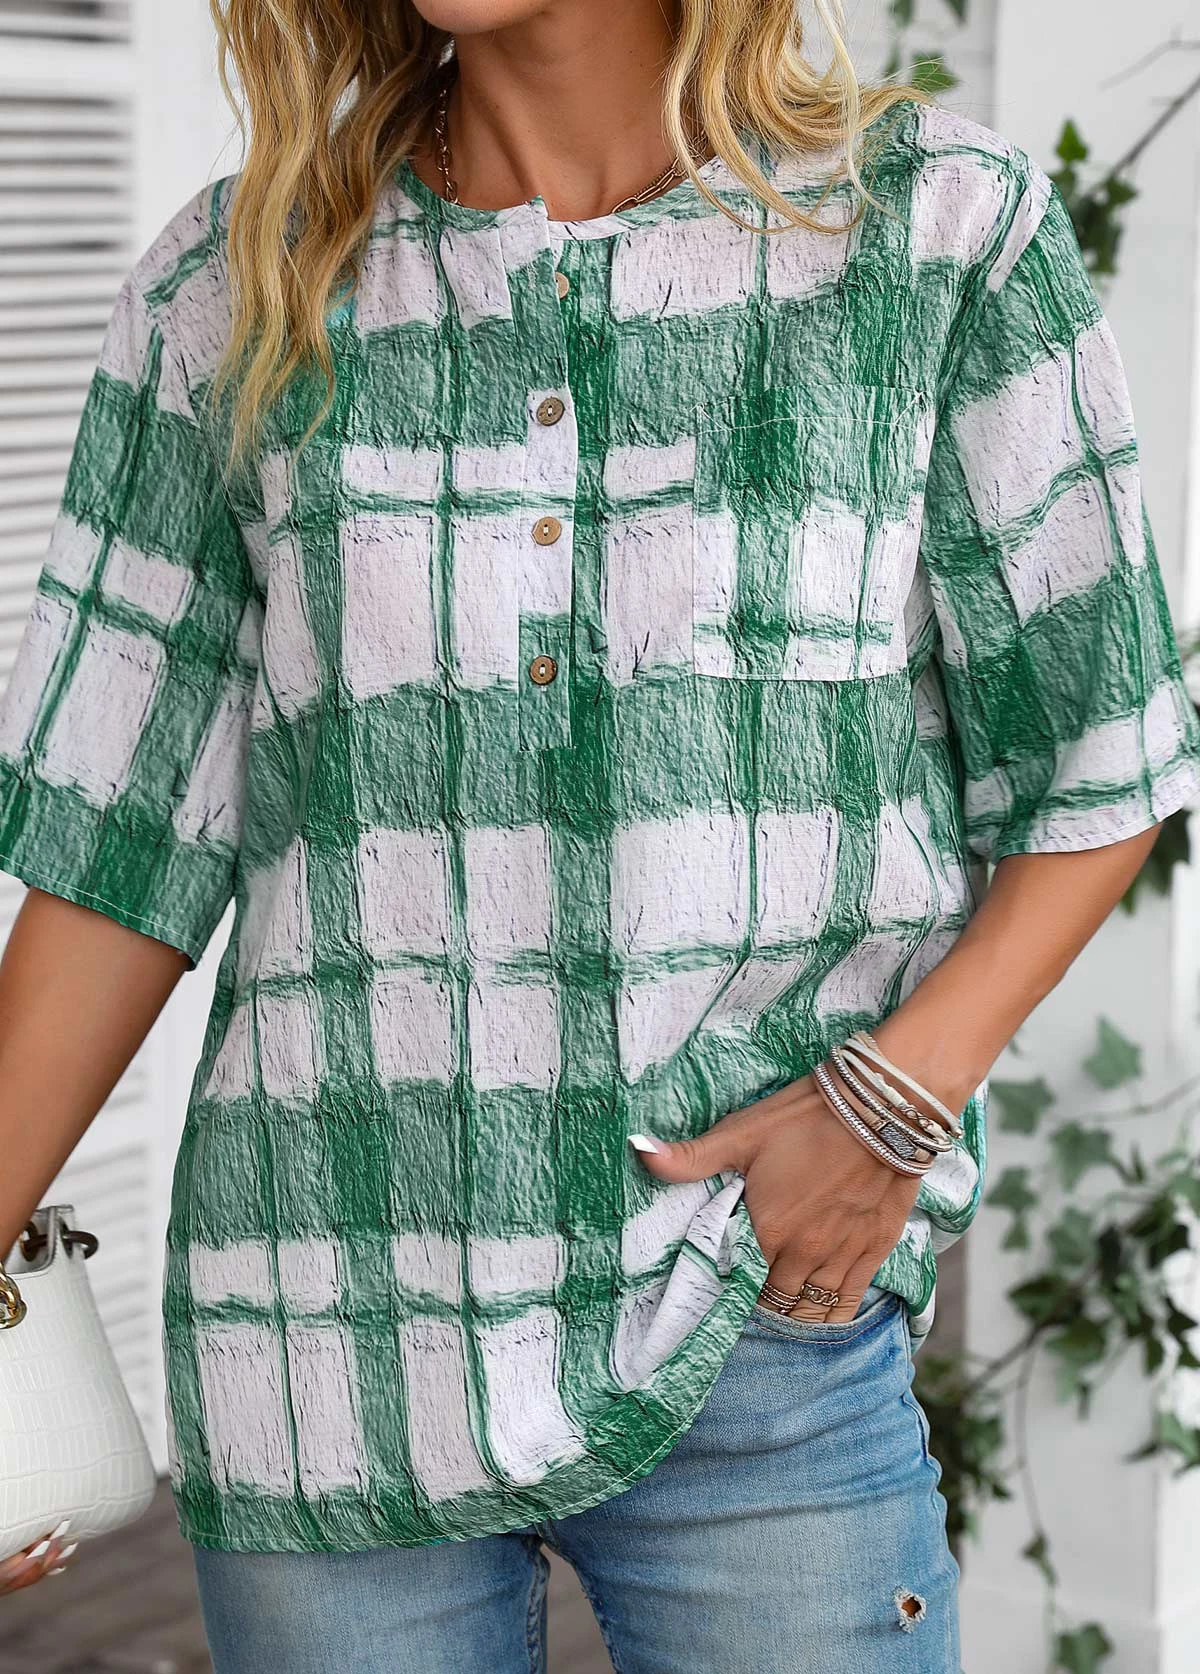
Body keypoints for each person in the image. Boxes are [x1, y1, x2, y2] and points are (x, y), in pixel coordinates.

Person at [1, 0, 1198, 1668]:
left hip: (760, 1319)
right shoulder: (235, 285)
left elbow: (1101, 752)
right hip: (325, 1345)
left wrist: (893, 1100)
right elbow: (114, 858)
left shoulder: (936, 234)